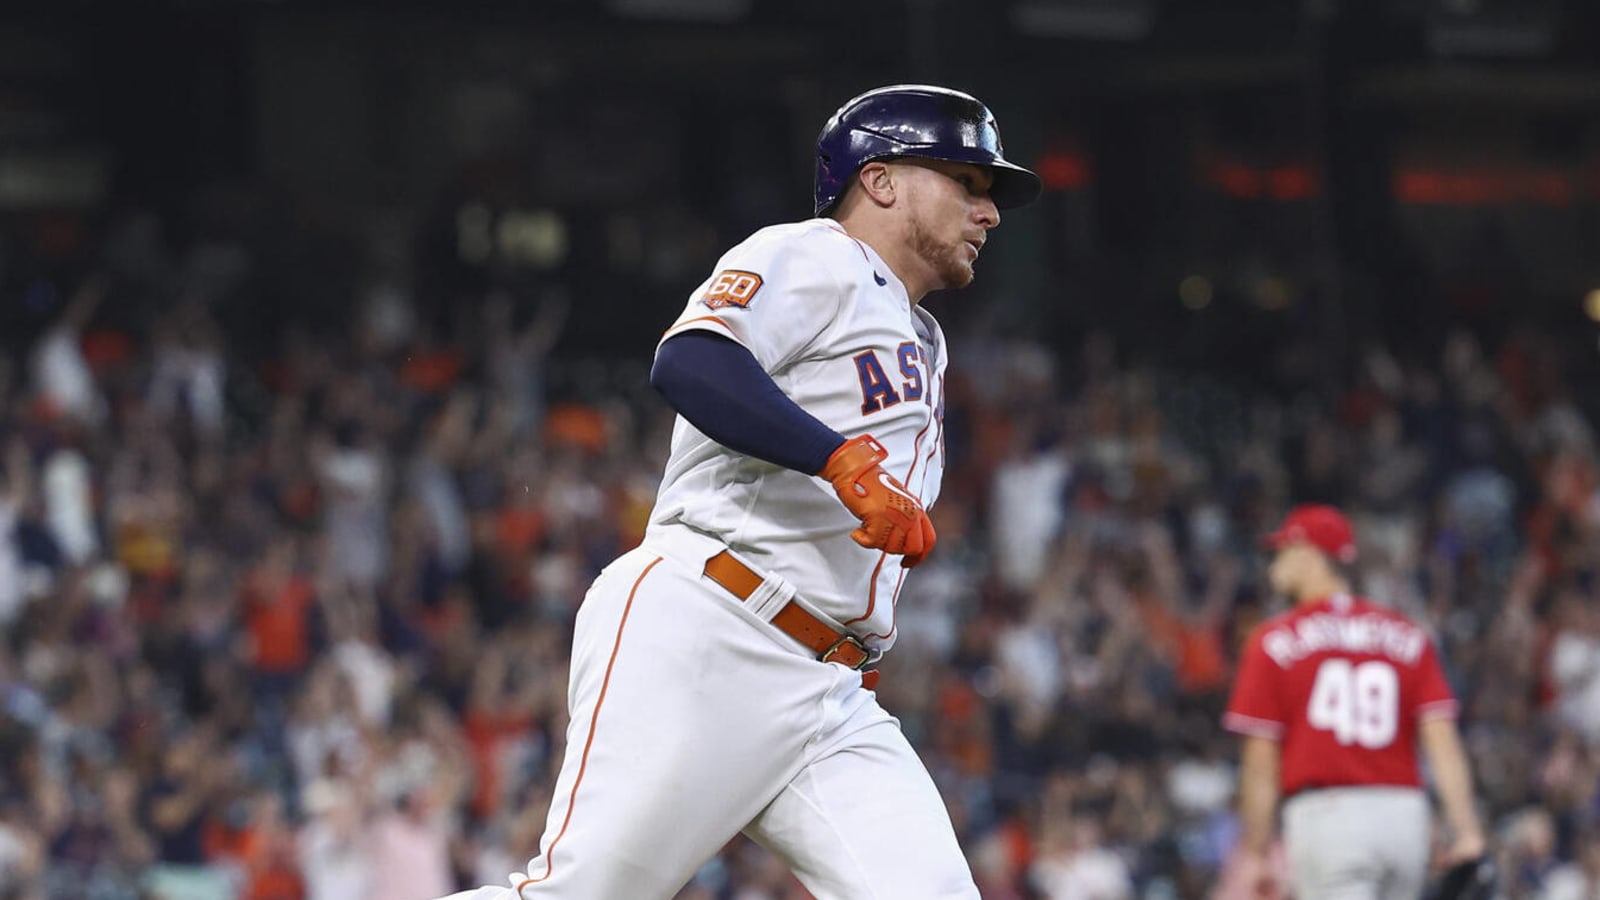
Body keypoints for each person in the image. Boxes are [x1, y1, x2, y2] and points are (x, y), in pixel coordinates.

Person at [440, 83, 1040, 899]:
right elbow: (690, 362)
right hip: (713, 625)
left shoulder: (924, 338)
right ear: (882, 179)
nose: (989, 211)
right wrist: (834, 461)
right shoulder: (812, 253)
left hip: (831, 689)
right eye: (967, 182)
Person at [1222, 504, 1487, 900]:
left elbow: (1261, 764)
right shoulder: (1407, 634)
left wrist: (1256, 850)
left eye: (1283, 552)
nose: (1274, 564)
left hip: (1329, 817)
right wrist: (1466, 832)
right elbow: (1442, 744)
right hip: (1404, 817)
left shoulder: (1274, 642)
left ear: (1310, 555)